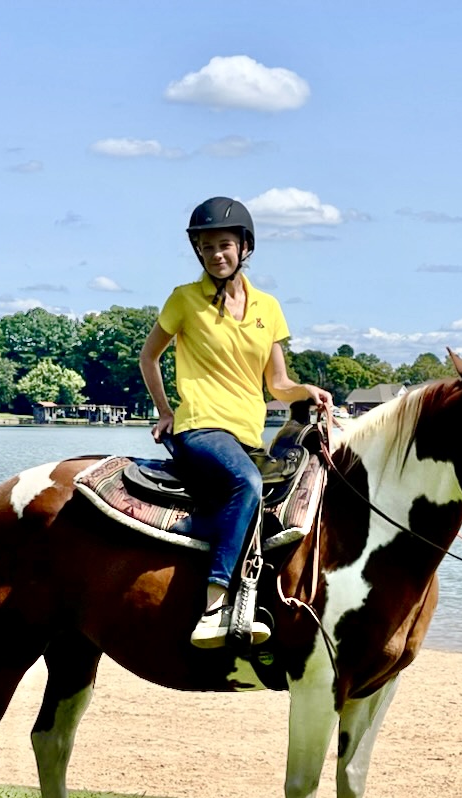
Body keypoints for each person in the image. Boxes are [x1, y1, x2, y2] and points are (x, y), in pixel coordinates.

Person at [139, 196, 331, 648]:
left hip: (247, 436)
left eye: (223, 245)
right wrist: (166, 411)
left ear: (245, 247)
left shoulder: (269, 307)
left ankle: (262, 592)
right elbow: (149, 357)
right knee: (246, 483)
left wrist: (306, 391)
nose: (215, 254)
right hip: (200, 427)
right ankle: (214, 606)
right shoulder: (183, 300)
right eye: (206, 247)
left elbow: (278, 384)